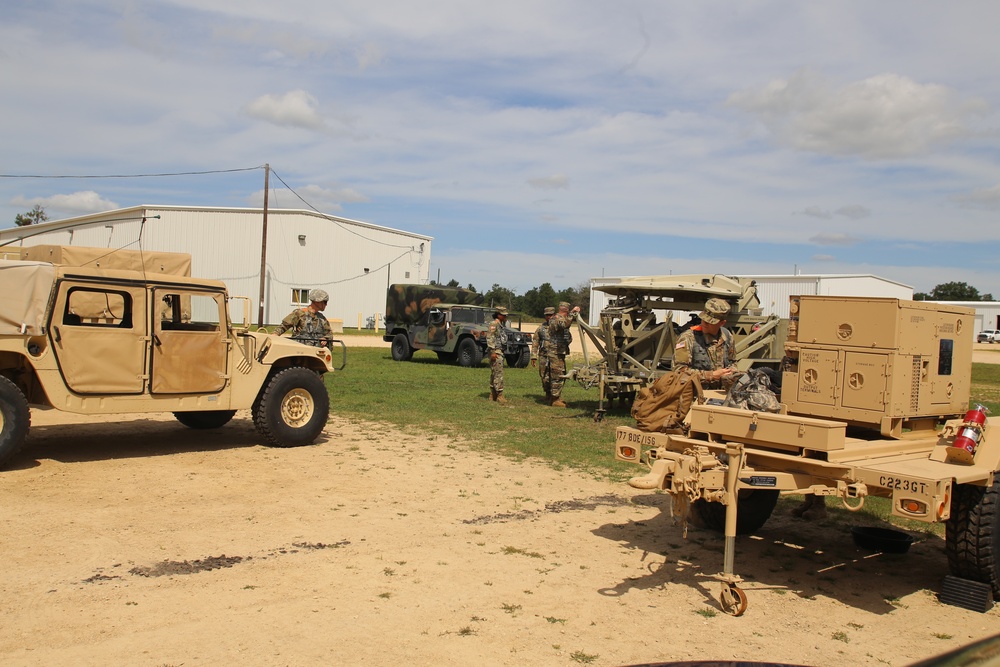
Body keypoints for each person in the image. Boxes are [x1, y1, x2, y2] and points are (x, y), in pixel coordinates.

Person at [671, 297, 737, 389]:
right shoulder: (688, 338)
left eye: (710, 322)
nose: (704, 324)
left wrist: (730, 372)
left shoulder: (727, 336)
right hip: (695, 394)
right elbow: (678, 372)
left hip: (720, 394)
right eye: (703, 320)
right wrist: (711, 375)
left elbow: (732, 362)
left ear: (722, 323)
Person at [545, 301, 580, 407]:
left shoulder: (559, 318)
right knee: (557, 375)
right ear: (566, 310)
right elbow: (565, 324)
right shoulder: (556, 318)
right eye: (568, 310)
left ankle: (556, 397)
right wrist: (572, 314)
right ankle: (555, 400)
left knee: (560, 373)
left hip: (559, 351)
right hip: (555, 352)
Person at [531, 306, 555, 401]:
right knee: (544, 375)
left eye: (551, 315)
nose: (549, 317)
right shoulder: (541, 328)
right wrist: (533, 356)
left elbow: (568, 339)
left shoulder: (559, 327)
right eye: (547, 315)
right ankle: (547, 393)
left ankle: (555, 396)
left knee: (555, 375)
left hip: (555, 356)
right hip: (544, 355)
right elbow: (535, 342)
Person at [486, 306, 509, 403]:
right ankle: (499, 395)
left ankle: (493, 394)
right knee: (498, 373)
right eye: (503, 315)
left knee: (495, 373)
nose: (505, 317)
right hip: (496, 351)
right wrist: (493, 352)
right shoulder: (494, 324)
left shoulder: (501, 325)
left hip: (500, 351)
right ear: (499, 315)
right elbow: (490, 337)